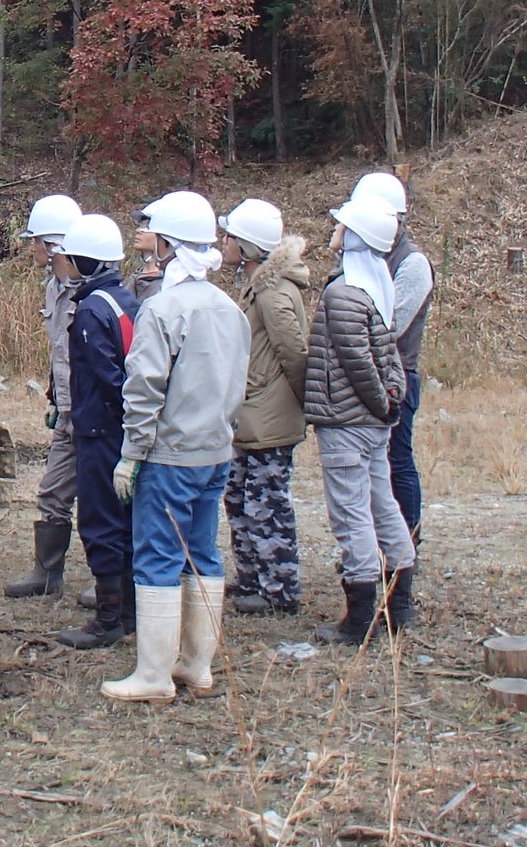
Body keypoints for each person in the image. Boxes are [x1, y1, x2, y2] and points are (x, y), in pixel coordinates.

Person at [104, 191, 249, 702]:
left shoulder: (162, 309)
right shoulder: (231, 310)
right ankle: (197, 667)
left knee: (158, 557)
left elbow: (143, 389)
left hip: (169, 455)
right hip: (215, 452)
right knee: (204, 553)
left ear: (166, 245)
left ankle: (153, 675)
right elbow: (238, 385)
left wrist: (131, 453)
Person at [303, 193, 415, 646]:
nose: (334, 231)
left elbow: (357, 362)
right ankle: (399, 603)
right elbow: (385, 358)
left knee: (352, 514)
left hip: (347, 424)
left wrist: (379, 401)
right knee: (381, 504)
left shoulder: (342, 292)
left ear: (354, 238)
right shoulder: (373, 287)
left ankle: (360, 617)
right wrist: (387, 404)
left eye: (342, 226)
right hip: (367, 423)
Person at [53, 214, 141, 650]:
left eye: (69, 256)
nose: (63, 263)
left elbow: (108, 374)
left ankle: (109, 618)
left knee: (99, 518)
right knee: (124, 517)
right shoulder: (126, 299)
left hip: (100, 429)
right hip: (122, 428)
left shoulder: (90, 308)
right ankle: (128, 611)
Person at [219, 198, 310, 616]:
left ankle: (280, 591)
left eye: (232, 237)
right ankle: (253, 579)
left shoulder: (273, 293)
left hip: (268, 416)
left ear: (250, 246)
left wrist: (294, 404)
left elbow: (294, 353)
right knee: (239, 496)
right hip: (253, 413)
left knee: (266, 502)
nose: (225, 243)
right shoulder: (259, 286)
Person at [351, 172, 433, 551]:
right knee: (370, 468)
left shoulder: (412, 263)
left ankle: (407, 542)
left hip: (398, 375)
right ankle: (379, 546)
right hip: (370, 374)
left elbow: (392, 323)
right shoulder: (370, 257)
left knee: (397, 461)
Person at [6, 194, 83, 599]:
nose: (32, 247)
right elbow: (60, 352)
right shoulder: (54, 288)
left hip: (92, 410)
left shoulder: (87, 291)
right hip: (69, 407)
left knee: (103, 498)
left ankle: (115, 581)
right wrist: (57, 397)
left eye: (36, 240)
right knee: (52, 490)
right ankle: (47, 574)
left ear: (54, 244)